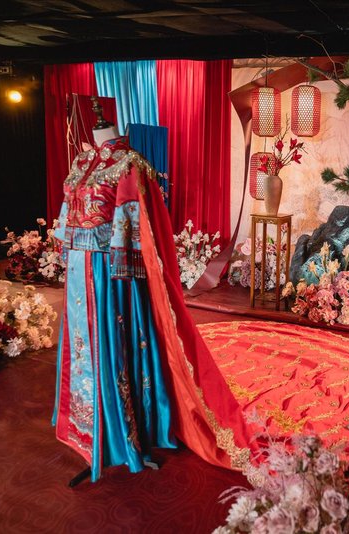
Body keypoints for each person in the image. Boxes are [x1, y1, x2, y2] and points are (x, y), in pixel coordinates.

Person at [52, 98, 250, 482]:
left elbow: (132, 223)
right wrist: (65, 249)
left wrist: (119, 269)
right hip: (77, 273)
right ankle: (85, 426)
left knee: (111, 345)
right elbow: (66, 216)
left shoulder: (129, 163)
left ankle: (122, 432)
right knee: (81, 347)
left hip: (110, 274)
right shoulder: (81, 162)